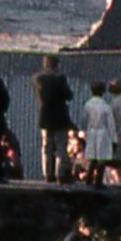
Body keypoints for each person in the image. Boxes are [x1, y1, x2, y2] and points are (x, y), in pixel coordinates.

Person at [33, 55, 76, 184]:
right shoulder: (60, 78)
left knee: (47, 147)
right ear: (56, 64)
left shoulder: (37, 78)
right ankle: (60, 174)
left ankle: (48, 174)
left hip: (44, 116)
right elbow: (69, 95)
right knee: (61, 147)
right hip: (60, 117)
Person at [78, 83, 118, 185]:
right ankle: (99, 181)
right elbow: (111, 125)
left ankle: (89, 178)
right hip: (103, 132)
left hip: (91, 131)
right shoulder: (106, 106)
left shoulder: (87, 105)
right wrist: (114, 139)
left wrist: (81, 132)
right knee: (102, 157)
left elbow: (83, 120)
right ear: (103, 92)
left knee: (92, 157)